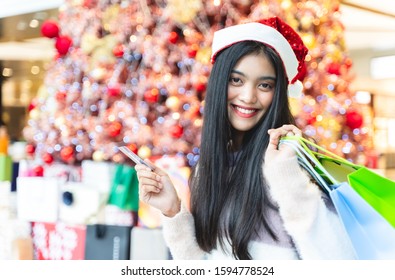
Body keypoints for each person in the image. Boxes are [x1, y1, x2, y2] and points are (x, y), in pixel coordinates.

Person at [135, 17, 356, 260]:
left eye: (264, 85)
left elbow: (339, 263)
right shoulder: (209, 169)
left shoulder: (293, 166)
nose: (248, 96)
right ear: (220, 82)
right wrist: (173, 210)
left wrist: (287, 176)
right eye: (236, 80)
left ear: (278, 92)